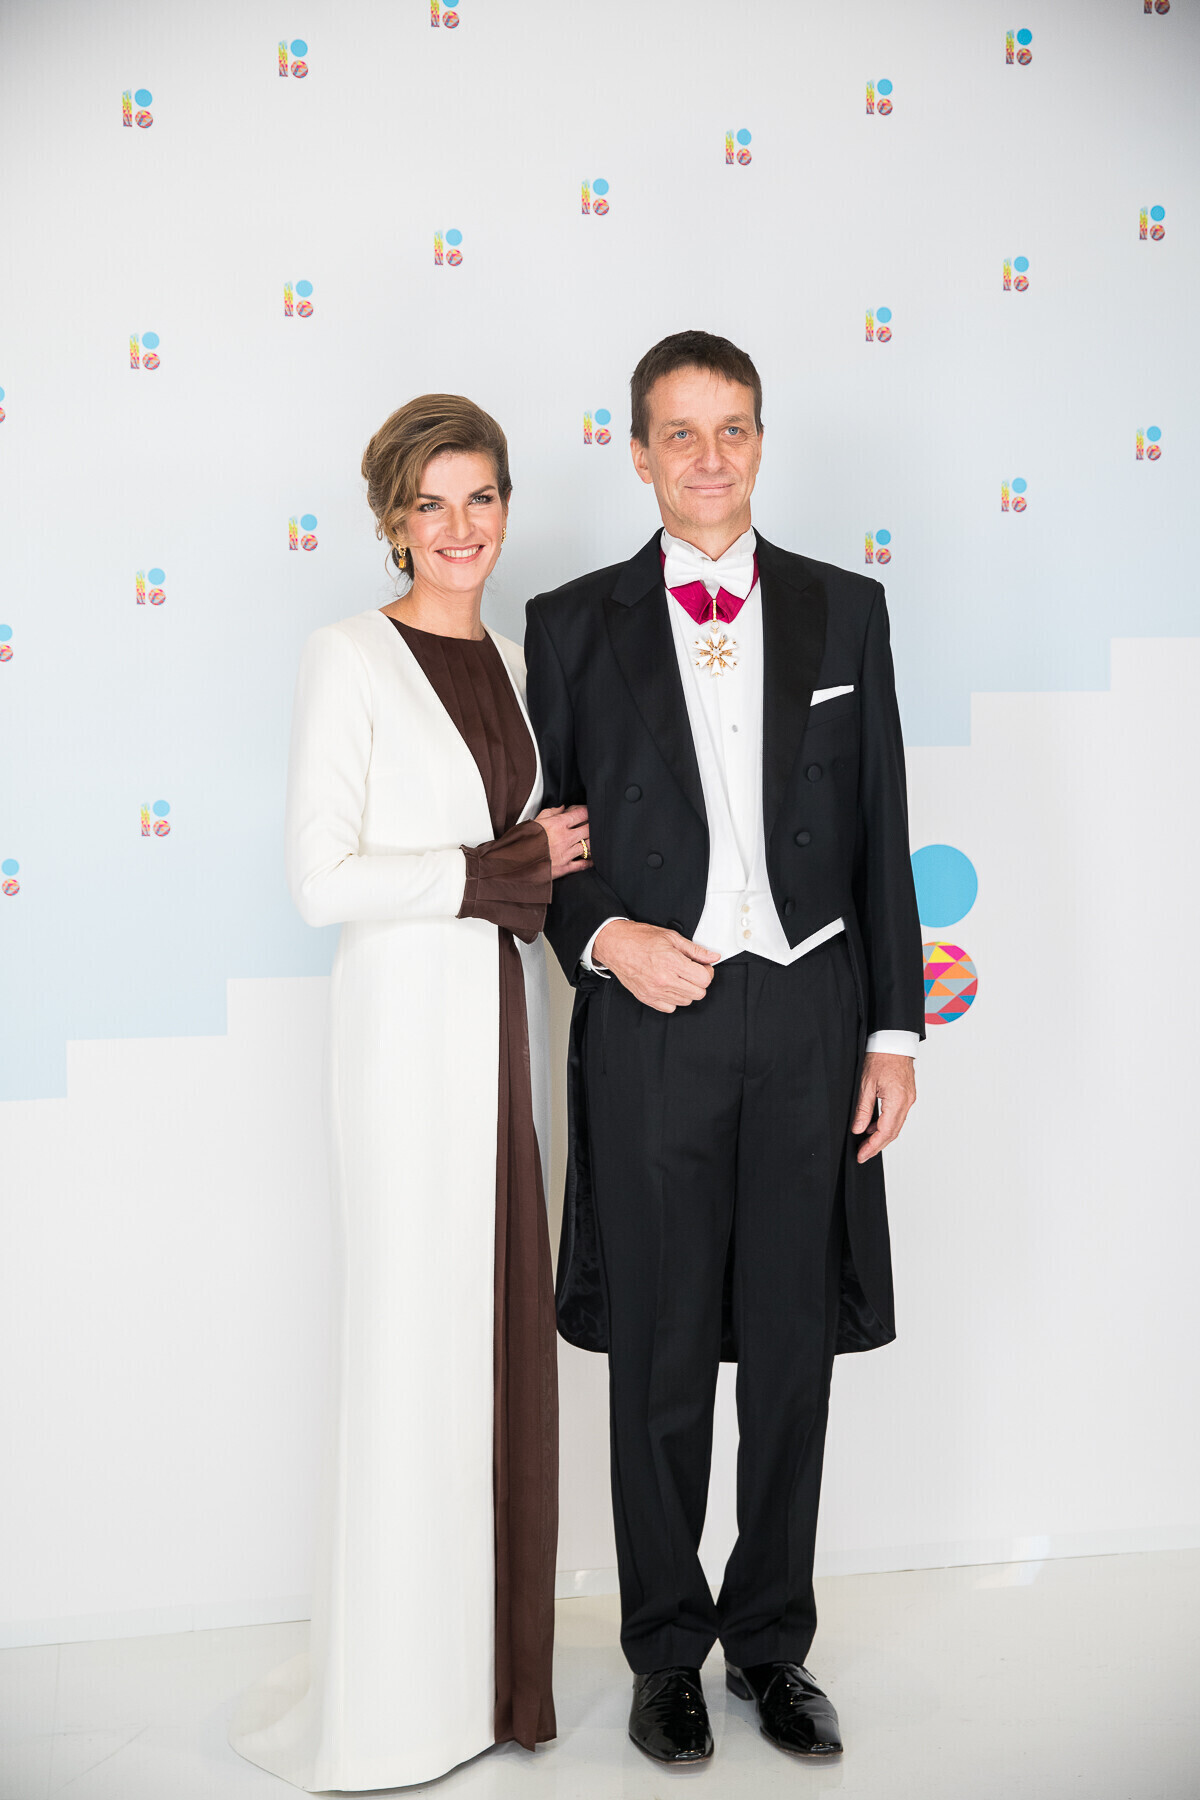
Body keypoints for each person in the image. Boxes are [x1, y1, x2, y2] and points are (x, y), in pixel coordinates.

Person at [525, 331, 924, 1766]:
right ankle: (662, 1654)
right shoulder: (568, 624)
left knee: (792, 1351)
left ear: (762, 441)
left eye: (733, 428)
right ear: (636, 453)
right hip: (655, 1020)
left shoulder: (845, 610)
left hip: (812, 1014)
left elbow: (880, 827)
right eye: (680, 433)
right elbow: (547, 845)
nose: (709, 457)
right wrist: (604, 940)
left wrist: (893, 1031)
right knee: (663, 1353)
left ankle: (771, 1643)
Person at [228, 394, 590, 1792]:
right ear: (393, 519)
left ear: (506, 508)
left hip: (502, 1033)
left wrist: (539, 879)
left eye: (480, 497)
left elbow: (547, 861)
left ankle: (484, 1685)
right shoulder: (348, 656)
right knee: (412, 1348)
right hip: (401, 1048)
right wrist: (496, 870)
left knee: (492, 1342)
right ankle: (392, 1706)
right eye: (431, 503)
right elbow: (320, 880)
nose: (460, 527)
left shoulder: (517, 660)